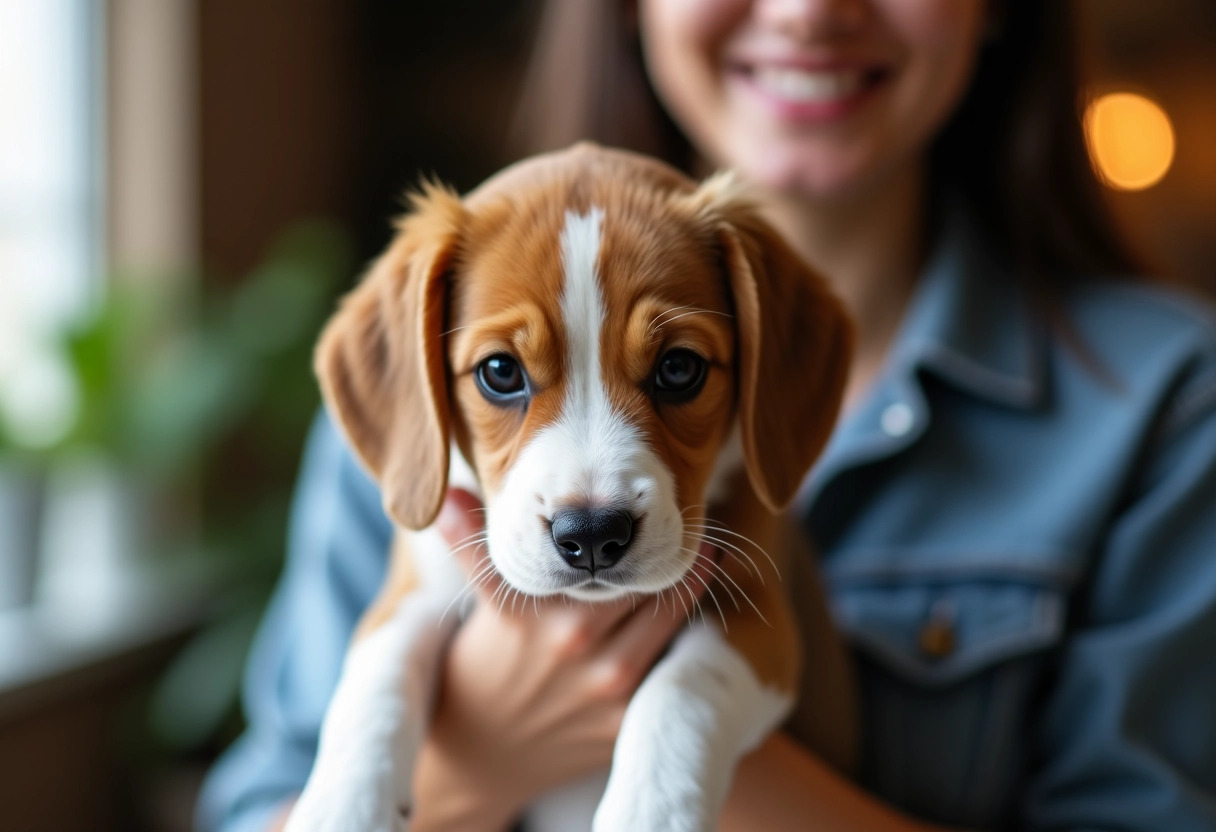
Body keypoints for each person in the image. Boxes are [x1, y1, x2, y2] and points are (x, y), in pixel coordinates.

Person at [198, 1, 1216, 830]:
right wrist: (480, 759)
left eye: (677, 372)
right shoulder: (419, 389)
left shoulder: (1166, 398)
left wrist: (655, 745)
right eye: (505, 376)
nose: (810, 11)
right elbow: (271, 797)